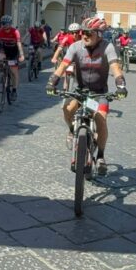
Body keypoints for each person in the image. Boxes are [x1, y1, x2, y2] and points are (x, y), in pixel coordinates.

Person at [46, 16, 128, 175]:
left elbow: (115, 67)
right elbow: (63, 65)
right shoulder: (76, 47)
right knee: (66, 110)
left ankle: (101, 156)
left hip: (98, 93)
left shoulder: (107, 47)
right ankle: (71, 130)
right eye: (83, 32)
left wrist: (121, 85)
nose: (84, 36)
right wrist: (52, 81)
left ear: (99, 34)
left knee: (100, 119)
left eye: (89, 33)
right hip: (79, 91)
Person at [0, 15, 25, 99]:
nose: (5, 26)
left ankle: (14, 90)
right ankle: (3, 75)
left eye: (7, 24)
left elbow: (19, 44)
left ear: (10, 24)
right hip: (4, 50)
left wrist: (21, 54)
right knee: (0, 60)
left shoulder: (15, 32)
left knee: (14, 71)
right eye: (3, 24)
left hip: (14, 52)